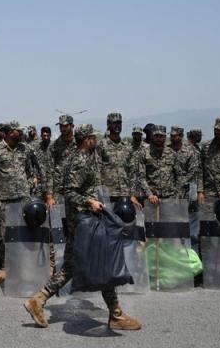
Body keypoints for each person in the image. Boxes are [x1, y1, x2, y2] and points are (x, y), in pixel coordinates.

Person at [23, 124, 141, 331]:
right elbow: (68, 191)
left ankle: (40, 300)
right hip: (83, 222)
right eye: (92, 137)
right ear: (86, 139)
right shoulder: (79, 160)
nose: (95, 139)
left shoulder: (87, 157)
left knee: (85, 265)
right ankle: (115, 314)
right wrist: (89, 202)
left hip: (85, 220)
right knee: (98, 263)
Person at [0, 121, 43, 284]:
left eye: (21, 130)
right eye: (17, 130)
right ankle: (5, 268)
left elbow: (30, 170)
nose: (20, 133)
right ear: (8, 132)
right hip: (3, 199)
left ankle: (23, 267)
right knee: (5, 235)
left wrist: (29, 184)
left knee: (24, 233)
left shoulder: (25, 149)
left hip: (23, 199)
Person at [97, 113, 137, 202]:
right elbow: (97, 170)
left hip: (125, 194)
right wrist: (99, 194)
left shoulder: (127, 147)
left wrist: (133, 194)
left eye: (119, 123)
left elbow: (132, 172)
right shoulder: (101, 145)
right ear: (108, 124)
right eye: (114, 123)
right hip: (108, 196)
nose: (117, 126)